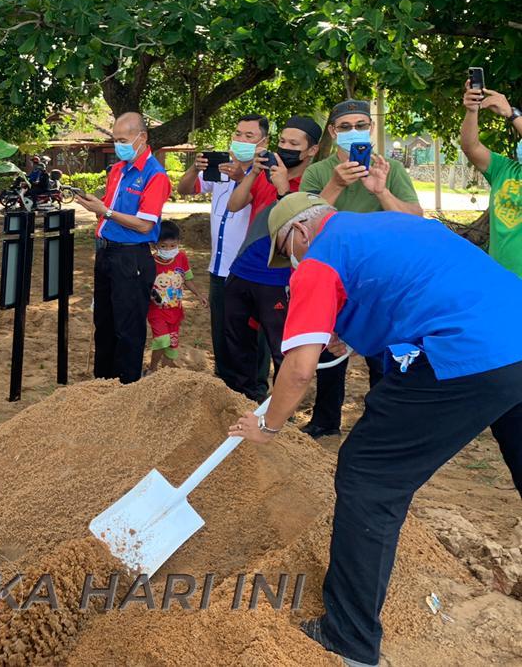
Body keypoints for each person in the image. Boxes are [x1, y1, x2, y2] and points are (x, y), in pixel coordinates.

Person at [229, 192, 522, 667]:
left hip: (464, 351)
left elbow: (299, 368)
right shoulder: (392, 225)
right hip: (515, 331)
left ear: (302, 231)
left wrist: (268, 424)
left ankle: (347, 639)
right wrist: (341, 328)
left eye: (287, 250)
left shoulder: (319, 260)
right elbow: (407, 290)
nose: (290, 263)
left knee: (369, 475)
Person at [299, 99, 422, 437]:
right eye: (345, 126)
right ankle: (325, 422)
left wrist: (381, 192)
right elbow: (303, 221)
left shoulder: (390, 169)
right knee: (331, 347)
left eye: (361, 125)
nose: (354, 132)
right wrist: (336, 185)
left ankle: (383, 425)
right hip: (334, 271)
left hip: (383, 275)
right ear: (332, 131)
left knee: (383, 353)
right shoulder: (319, 172)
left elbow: (414, 218)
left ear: (371, 128)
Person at [221, 117, 321, 401]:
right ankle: (242, 401)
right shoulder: (265, 175)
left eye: (293, 144)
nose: (285, 148)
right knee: (237, 343)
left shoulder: (312, 183)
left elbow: (303, 226)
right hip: (243, 272)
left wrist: (283, 188)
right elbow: (234, 204)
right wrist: (253, 173)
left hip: (280, 279)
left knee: (282, 349)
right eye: (282, 142)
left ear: (311, 151)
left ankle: (279, 413)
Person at [74, 112, 171, 384]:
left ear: (143, 138)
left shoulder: (155, 175)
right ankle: (102, 385)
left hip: (131, 257)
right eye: (115, 139)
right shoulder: (117, 169)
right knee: (104, 323)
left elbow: (143, 225)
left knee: (128, 328)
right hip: (106, 251)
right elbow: (109, 210)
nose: (119, 145)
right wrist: (97, 206)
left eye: (123, 139)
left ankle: (127, 387)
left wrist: (105, 211)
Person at [177, 115, 272, 391]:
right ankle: (226, 388)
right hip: (218, 269)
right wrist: (195, 169)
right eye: (238, 134)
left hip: (250, 270)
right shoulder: (219, 170)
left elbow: (260, 201)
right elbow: (184, 190)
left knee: (253, 334)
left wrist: (244, 177)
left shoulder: (265, 174)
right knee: (222, 333)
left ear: (263, 141)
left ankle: (255, 390)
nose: (241, 140)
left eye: (249, 136)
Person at [458, 82, 522, 277]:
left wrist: (512, 113)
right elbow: (471, 147)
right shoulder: (505, 169)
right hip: (500, 281)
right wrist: (471, 111)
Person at [147, 220, 205, 372]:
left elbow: (187, 279)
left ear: (178, 242)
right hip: (157, 310)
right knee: (162, 339)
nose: (168, 249)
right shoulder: (150, 262)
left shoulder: (181, 258)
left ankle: (167, 370)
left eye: (173, 246)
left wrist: (198, 294)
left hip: (176, 310)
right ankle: (152, 369)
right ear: (155, 245)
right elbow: (144, 285)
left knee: (172, 343)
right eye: (163, 246)